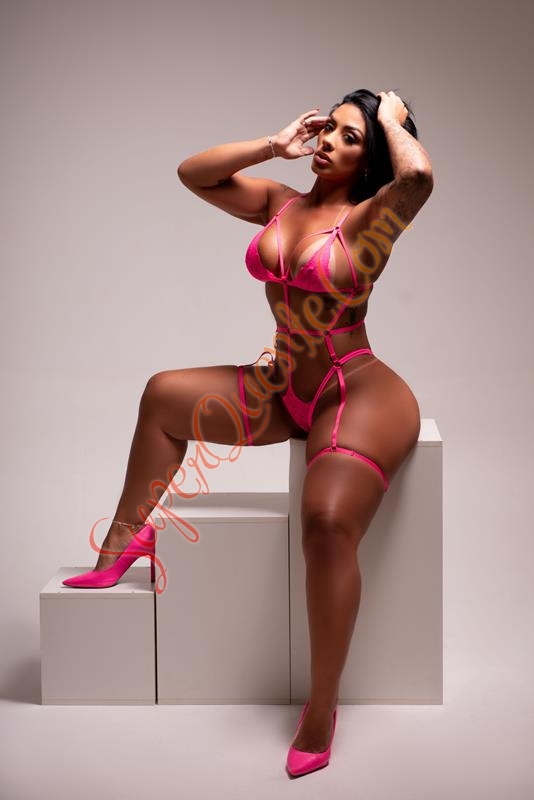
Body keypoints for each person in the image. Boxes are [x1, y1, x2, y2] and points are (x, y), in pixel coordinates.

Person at [62, 88, 433, 778]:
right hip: (282, 382)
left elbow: (419, 176)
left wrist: (390, 118)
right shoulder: (279, 203)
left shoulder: (373, 217)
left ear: (370, 159)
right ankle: (122, 544)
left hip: (354, 387)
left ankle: (322, 708)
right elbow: (193, 174)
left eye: (350, 137)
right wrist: (273, 144)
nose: (329, 141)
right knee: (163, 395)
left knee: (326, 523)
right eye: (329, 127)